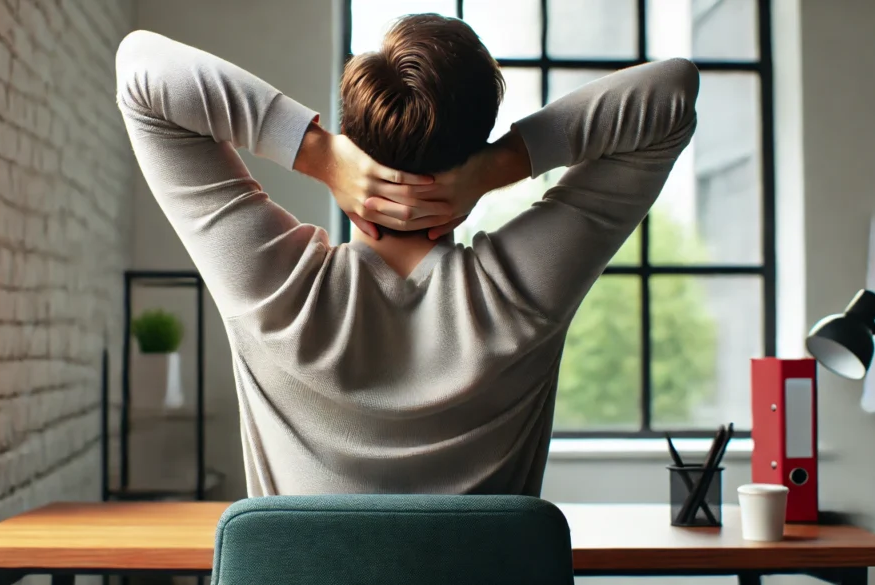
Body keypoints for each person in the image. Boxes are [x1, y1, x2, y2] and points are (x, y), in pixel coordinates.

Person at [115, 14, 699, 497]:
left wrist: (319, 155)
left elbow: (141, 70)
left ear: (354, 134)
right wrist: (500, 167)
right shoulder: (523, 294)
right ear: (474, 151)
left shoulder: (272, 289)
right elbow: (672, 93)